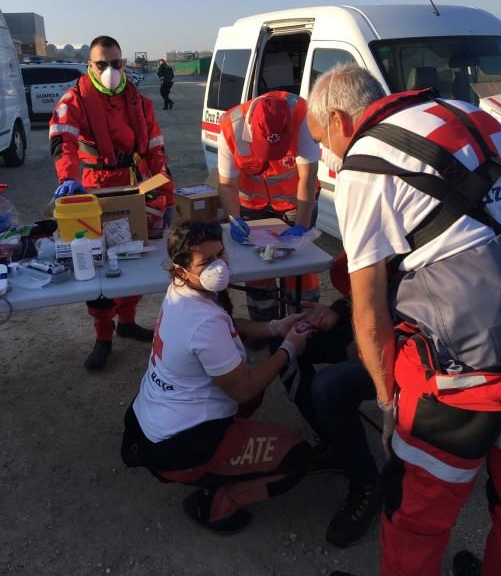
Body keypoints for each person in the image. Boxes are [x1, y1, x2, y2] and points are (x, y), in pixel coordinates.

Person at [307, 63, 501, 576]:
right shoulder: (478, 116)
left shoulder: (367, 160)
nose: (328, 155)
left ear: (340, 120)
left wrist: (387, 403)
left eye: (323, 141)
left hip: (462, 374)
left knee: (415, 516)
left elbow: (368, 307)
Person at [121, 220, 311, 532]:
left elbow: (222, 323)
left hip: (151, 423)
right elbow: (243, 389)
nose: (219, 267)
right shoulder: (202, 322)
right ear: (181, 269)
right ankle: (218, 505)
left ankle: (221, 459)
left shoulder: (179, 292)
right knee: (297, 458)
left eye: (221, 255)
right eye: (207, 262)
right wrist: (288, 348)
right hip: (178, 446)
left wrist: (274, 327)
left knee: (248, 386)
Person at [49, 35, 174, 371]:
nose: (109, 71)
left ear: (124, 63)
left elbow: (157, 150)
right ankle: (103, 335)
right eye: (101, 64)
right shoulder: (74, 100)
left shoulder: (139, 102)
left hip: (133, 186)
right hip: (91, 190)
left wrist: (167, 193)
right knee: (98, 263)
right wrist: (67, 179)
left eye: (115, 64)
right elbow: (64, 141)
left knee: (134, 254)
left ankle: (128, 321)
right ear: (90, 65)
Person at [262, 251, 381, 548]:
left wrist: (371, 334)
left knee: (330, 387)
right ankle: (336, 444)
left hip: (410, 341)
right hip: (369, 323)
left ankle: (366, 482)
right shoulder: (389, 218)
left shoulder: (447, 230)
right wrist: (341, 311)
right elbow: (373, 280)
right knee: (284, 342)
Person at [219, 91, 320, 320]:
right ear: (251, 130)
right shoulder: (230, 126)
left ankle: (304, 323)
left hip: (296, 203)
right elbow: (226, 185)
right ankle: (265, 325)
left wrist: (302, 227)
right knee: (258, 268)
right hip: (252, 206)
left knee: (301, 267)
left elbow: (308, 176)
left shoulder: (302, 115)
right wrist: (235, 219)